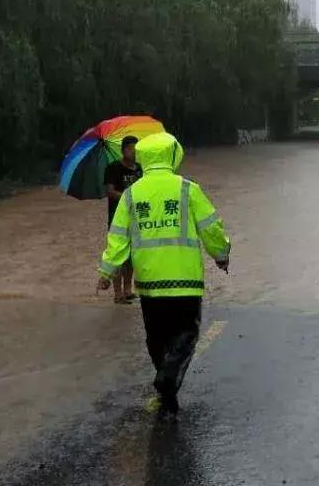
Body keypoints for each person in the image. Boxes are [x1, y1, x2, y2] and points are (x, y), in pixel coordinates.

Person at [97, 131, 230, 414]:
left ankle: (166, 381)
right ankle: (168, 376)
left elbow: (117, 237)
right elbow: (211, 227)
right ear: (174, 155)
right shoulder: (187, 189)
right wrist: (221, 255)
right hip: (186, 282)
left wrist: (106, 272)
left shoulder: (132, 194)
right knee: (186, 334)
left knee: (156, 337)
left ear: (143, 157)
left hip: (149, 284)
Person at [104, 137, 143, 305]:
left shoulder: (140, 169)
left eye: (136, 149)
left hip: (137, 217)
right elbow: (111, 192)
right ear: (123, 150)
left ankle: (128, 290)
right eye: (130, 149)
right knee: (118, 255)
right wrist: (128, 198)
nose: (133, 152)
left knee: (132, 257)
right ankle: (117, 293)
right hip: (117, 219)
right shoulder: (113, 168)